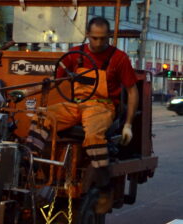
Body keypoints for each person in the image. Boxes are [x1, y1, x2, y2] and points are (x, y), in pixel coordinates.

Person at [26, 17, 138, 189]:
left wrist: (128, 125)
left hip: (102, 106)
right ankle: (30, 163)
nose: (99, 42)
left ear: (108, 36)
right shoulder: (75, 53)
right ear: (87, 35)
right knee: (43, 116)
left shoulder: (119, 58)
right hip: (77, 105)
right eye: (94, 38)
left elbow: (132, 91)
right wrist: (24, 92)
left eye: (103, 38)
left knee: (93, 135)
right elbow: (54, 80)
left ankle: (102, 184)